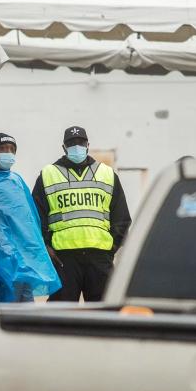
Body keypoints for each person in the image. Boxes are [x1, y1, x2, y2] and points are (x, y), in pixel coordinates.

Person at [32, 126, 130, 303]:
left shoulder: (106, 174)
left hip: (99, 257)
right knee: (60, 317)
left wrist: (111, 249)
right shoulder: (48, 174)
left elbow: (121, 217)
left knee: (105, 314)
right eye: (71, 143)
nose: (76, 147)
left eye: (80, 142)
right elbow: (36, 216)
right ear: (64, 147)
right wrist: (47, 246)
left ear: (87, 145)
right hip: (64, 259)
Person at [0, 132, 62, 303]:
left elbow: (30, 219)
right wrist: (4, 251)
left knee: (25, 304)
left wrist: (36, 249)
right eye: (3, 148)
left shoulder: (17, 180)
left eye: (11, 149)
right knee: (6, 302)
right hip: (2, 256)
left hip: (25, 258)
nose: (8, 153)